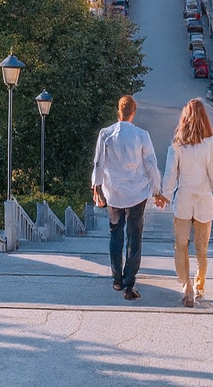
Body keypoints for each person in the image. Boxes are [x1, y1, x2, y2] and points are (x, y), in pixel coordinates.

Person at [91, 95, 161, 300]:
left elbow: (98, 162)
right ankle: (129, 283)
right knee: (134, 236)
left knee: (115, 234)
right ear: (134, 112)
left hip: (114, 193)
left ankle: (116, 279)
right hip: (137, 193)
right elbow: (150, 164)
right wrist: (156, 190)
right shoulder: (142, 135)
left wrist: (96, 186)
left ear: (118, 111)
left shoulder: (106, 134)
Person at [161, 98, 213, 307]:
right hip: (204, 200)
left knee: (181, 245)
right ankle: (199, 286)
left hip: (184, 200)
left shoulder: (177, 144)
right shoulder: (209, 143)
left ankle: (186, 284)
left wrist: (165, 195)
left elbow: (170, 174)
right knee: (202, 248)